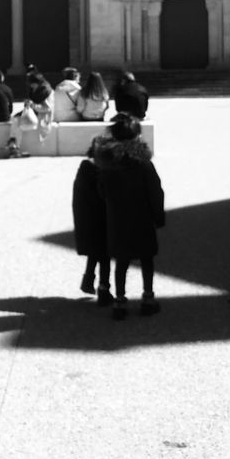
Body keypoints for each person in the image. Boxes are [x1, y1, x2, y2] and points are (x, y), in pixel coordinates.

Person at [90, 113, 165, 320]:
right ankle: (148, 298)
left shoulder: (107, 165)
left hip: (117, 218)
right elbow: (155, 191)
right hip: (142, 217)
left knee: (121, 261)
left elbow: (101, 192)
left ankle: (120, 301)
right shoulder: (143, 164)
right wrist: (158, 215)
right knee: (146, 258)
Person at [72, 155, 112, 305]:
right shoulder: (102, 172)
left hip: (88, 219)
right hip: (103, 217)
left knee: (96, 250)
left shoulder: (84, 170)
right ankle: (103, 289)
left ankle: (88, 280)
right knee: (104, 255)